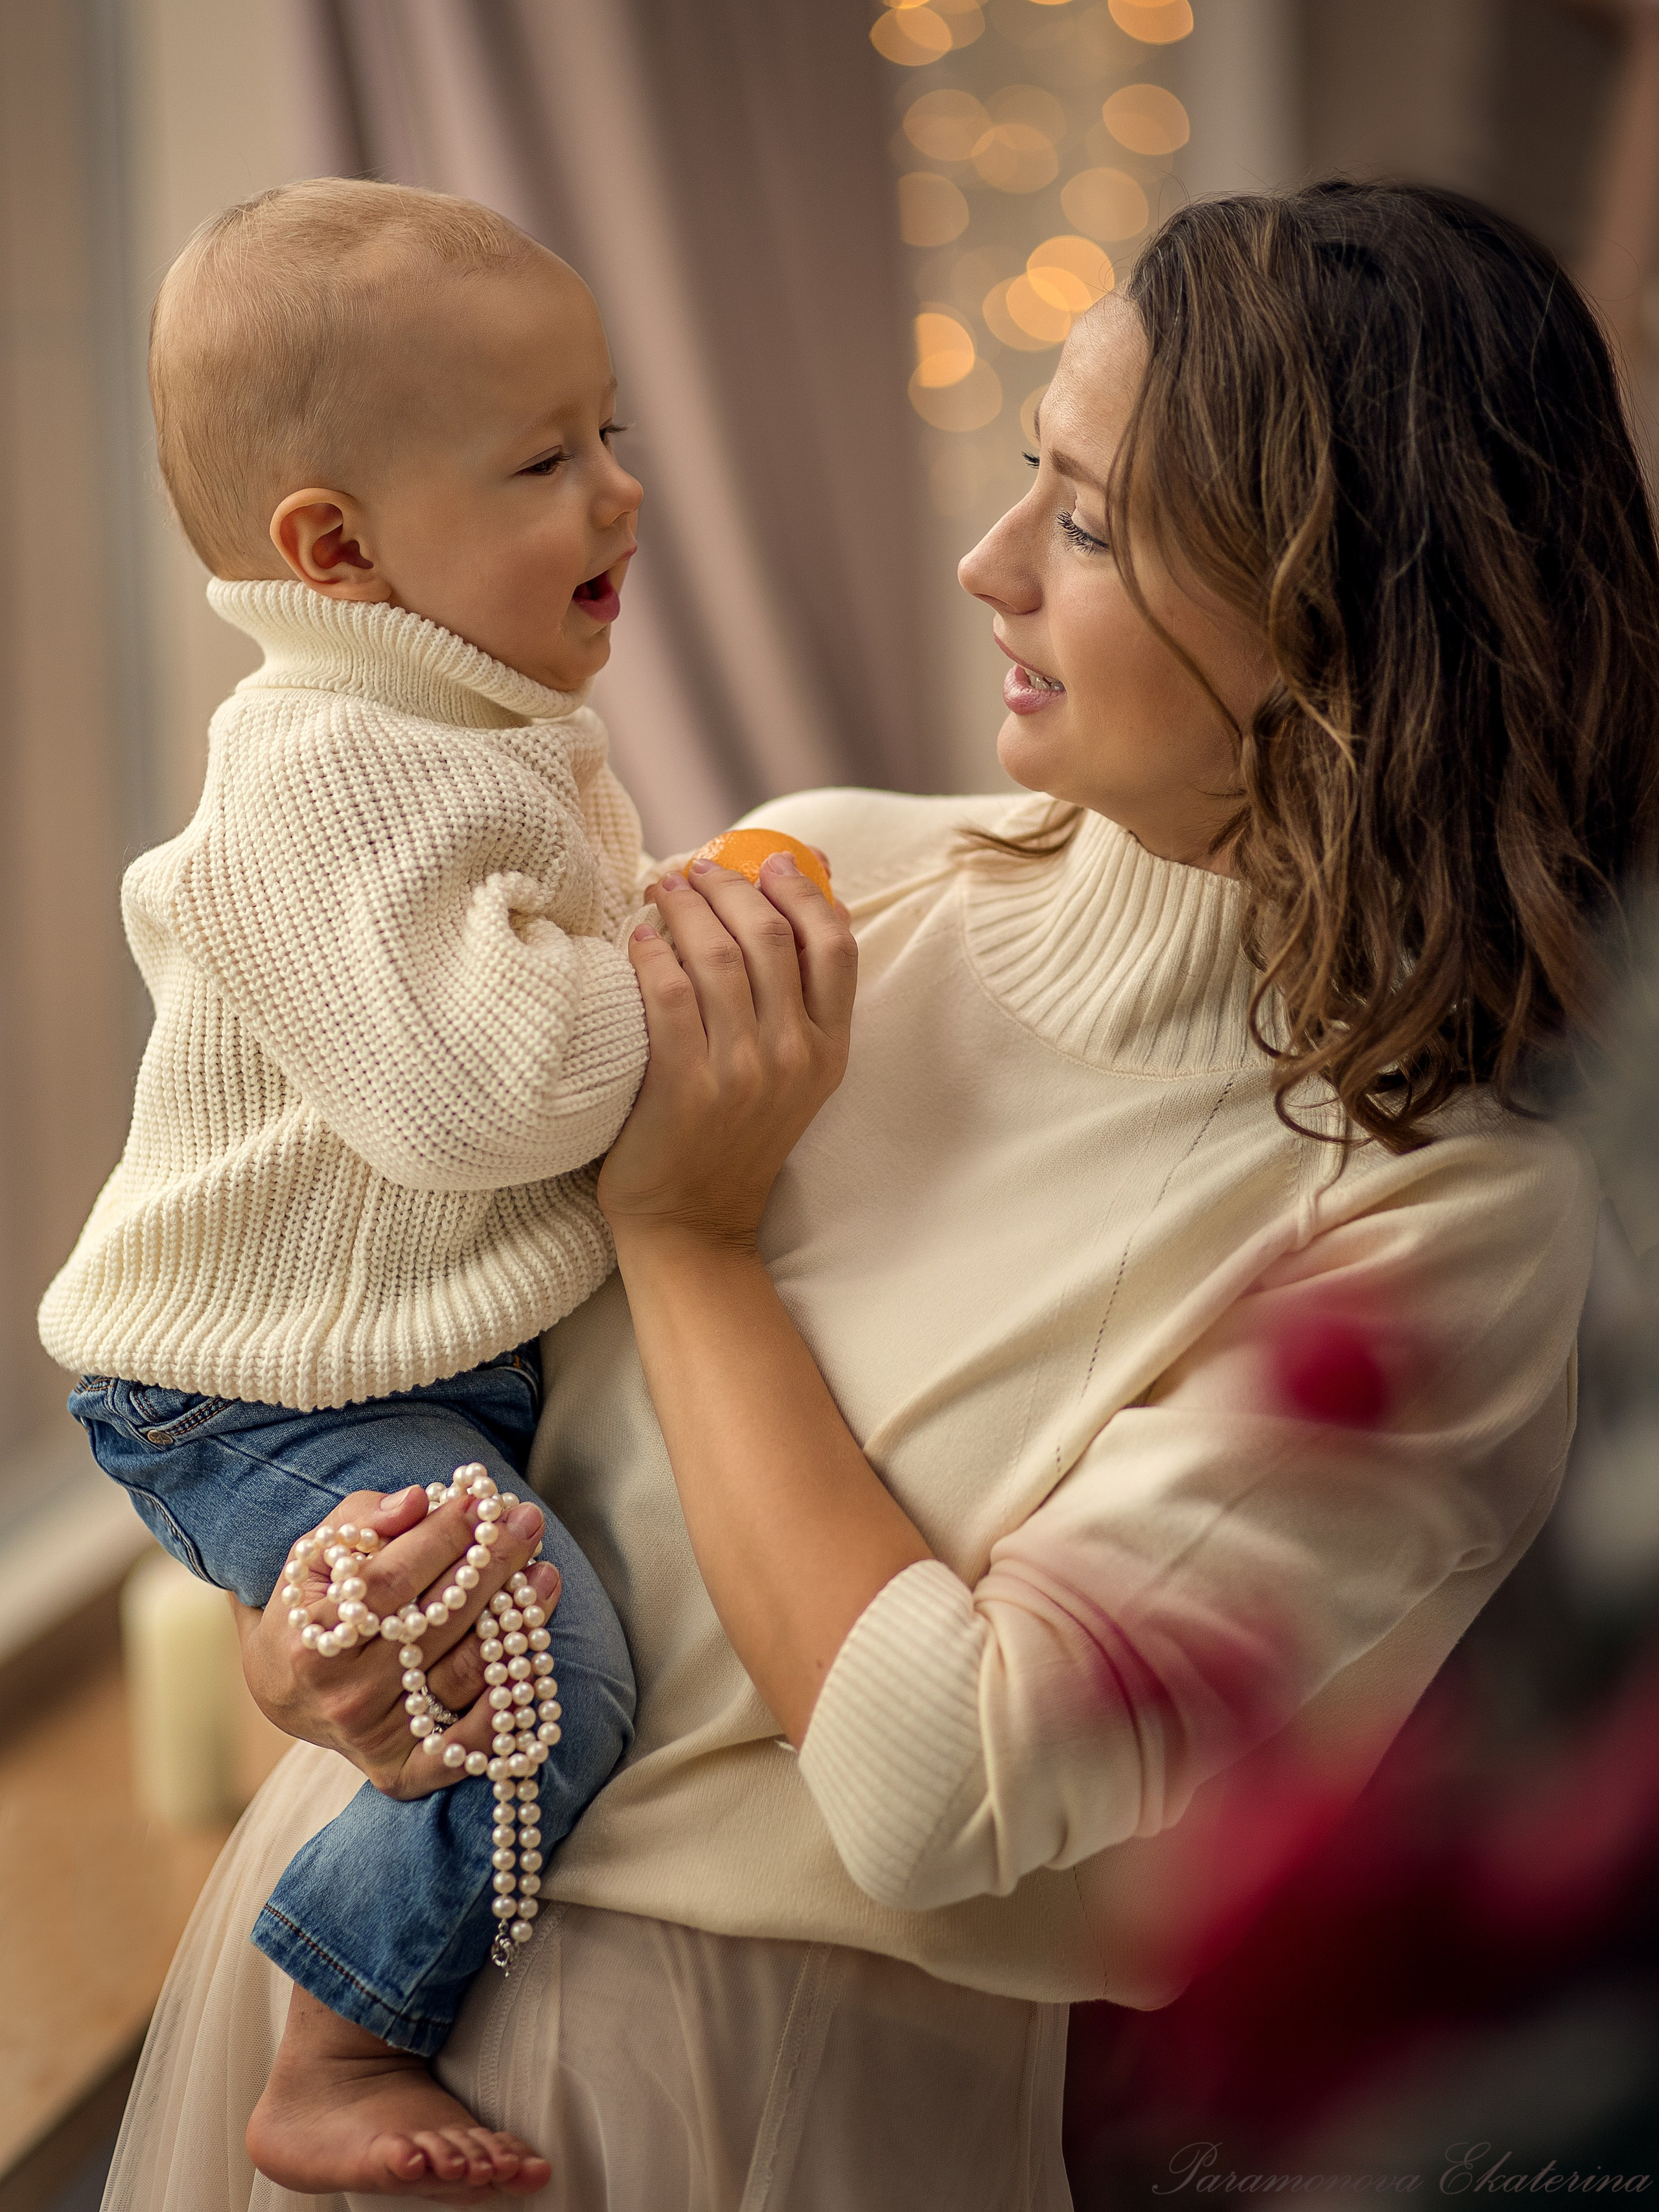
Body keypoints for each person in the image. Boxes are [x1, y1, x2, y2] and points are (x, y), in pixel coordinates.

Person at [104, 181, 1656, 2209]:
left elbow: (937, 1788)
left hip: (774, 2110)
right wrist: (317, 1638)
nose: (987, 563)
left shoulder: (1447, 1224)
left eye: (1085, 523)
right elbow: (425, 1370)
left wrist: (688, 1237)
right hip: (324, 1988)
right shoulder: (820, 883)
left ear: (1347, 618)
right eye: (1032, 477)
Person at [38, 178, 663, 2197]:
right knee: (535, 1669)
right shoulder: (332, 765)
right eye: (546, 461)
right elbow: (488, 1094)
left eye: (611, 431)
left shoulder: (469, 724)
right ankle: (338, 2043)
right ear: (338, 548)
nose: (621, 492)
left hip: (400, 1360)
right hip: (262, 1391)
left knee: (539, 1636)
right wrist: (682, 981)